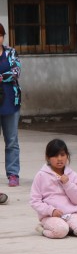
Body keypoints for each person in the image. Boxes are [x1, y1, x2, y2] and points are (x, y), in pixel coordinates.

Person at [30, 139, 77, 239]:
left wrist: (68, 184)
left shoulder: (72, 175)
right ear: (47, 157)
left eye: (62, 155)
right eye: (55, 155)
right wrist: (51, 210)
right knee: (60, 231)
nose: (59, 159)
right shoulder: (41, 176)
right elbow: (34, 201)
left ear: (67, 156)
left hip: (71, 214)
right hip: (50, 216)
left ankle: (69, 227)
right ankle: (43, 229)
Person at [0, 23, 21, 188]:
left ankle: (13, 174)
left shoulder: (11, 52)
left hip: (10, 102)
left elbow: (16, 72)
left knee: (12, 140)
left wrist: (1, 77)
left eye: (0, 35)